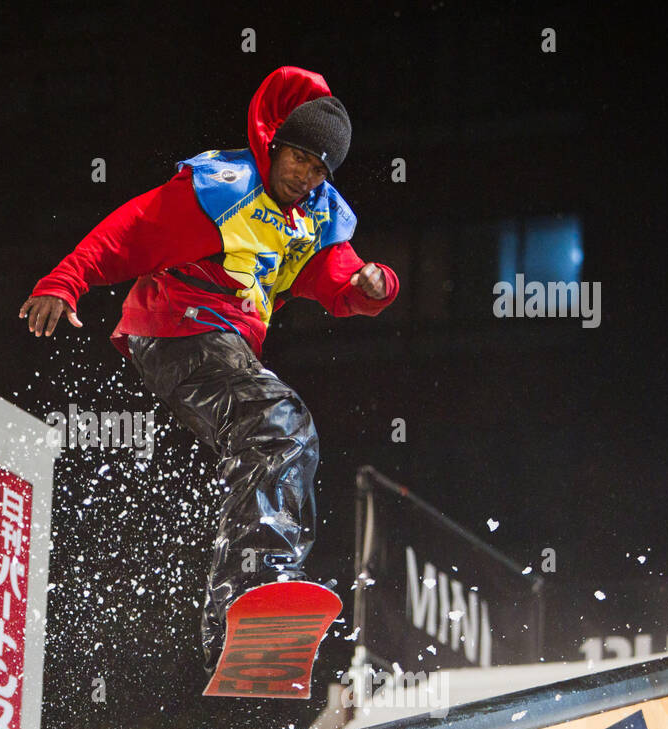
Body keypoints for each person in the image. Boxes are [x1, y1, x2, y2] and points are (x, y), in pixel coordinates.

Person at [20, 65, 399, 676]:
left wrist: (371, 284)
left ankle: (234, 615)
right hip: (178, 327)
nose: (303, 176)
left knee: (273, 442)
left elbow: (336, 280)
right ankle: (259, 578)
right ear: (275, 146)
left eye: (318, 169)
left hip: (225, 345)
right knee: (284, 424)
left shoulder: (319, 215)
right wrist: (65, 281)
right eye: (297, 159)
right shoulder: (225, 188)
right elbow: (132, 232)